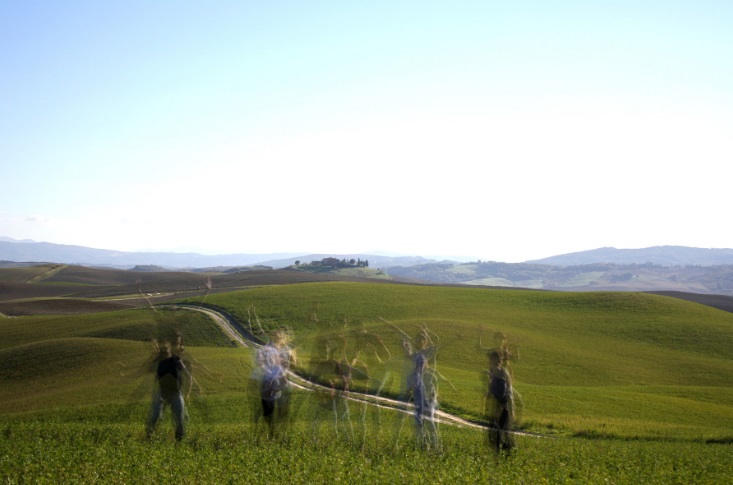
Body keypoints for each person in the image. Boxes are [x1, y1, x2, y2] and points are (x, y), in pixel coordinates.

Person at [146, 341, 192, 441]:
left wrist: (187, 393)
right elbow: (155, 379)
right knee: (155, 415)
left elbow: (188, 376)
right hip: (162, 393)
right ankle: (149, 436)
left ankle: (179, 440)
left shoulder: (176, 361)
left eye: (166, 351)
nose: (164, 353)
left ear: (169, 349)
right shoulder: (159, 363)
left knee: (180, 419)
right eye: (162, 352)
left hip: (176, 393)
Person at [484, 350, 515, 454]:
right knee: (496, 433)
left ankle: (507, 454)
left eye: (491, 359)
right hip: (497, 407)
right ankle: (502, 455)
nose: (489, 361)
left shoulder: (501, 373)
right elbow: (492, 389)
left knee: (500, 433)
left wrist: (508, 409)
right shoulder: (493, 372)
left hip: (502, 407)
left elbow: (506, 392)